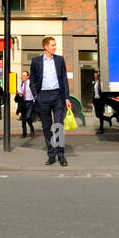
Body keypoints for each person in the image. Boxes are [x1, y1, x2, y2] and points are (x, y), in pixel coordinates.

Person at [30, 36, 72, 166]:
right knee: (47, 127)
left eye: (55, 45)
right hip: (43, 97)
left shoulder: (60, 60)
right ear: (45, 46)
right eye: (53, 45)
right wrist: (36, 96)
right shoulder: (36, 61)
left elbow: (64, 79)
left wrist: (67, 97)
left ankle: (61, 155)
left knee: (58, 125)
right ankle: (51, 154)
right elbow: (32, 80)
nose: (55, 47)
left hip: (57, 96)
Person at [16, 69, 36, 138]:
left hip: (30, 102)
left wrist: (35, 100)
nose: (23, 77)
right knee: (23, 119)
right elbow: (20, 91)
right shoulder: (22, 83)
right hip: (23, 102)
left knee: (27, 117)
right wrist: (19, 94)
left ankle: (32, 128)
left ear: (28, 76)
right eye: (22, 76)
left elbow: (35, 92)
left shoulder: (31, 83)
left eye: (24, 76)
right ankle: (24, 133)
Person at [91, 69, 108, 134]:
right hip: (96, 100)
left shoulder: (100, 82)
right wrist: (92, 102)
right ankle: (108, 119)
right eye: (94, 74)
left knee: (100, 114)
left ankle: (101, 128)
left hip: (100, 100)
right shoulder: (94, 82)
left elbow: (102, 92)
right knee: (97, 115)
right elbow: (94, 92)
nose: (95, 75)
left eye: (96, 74)